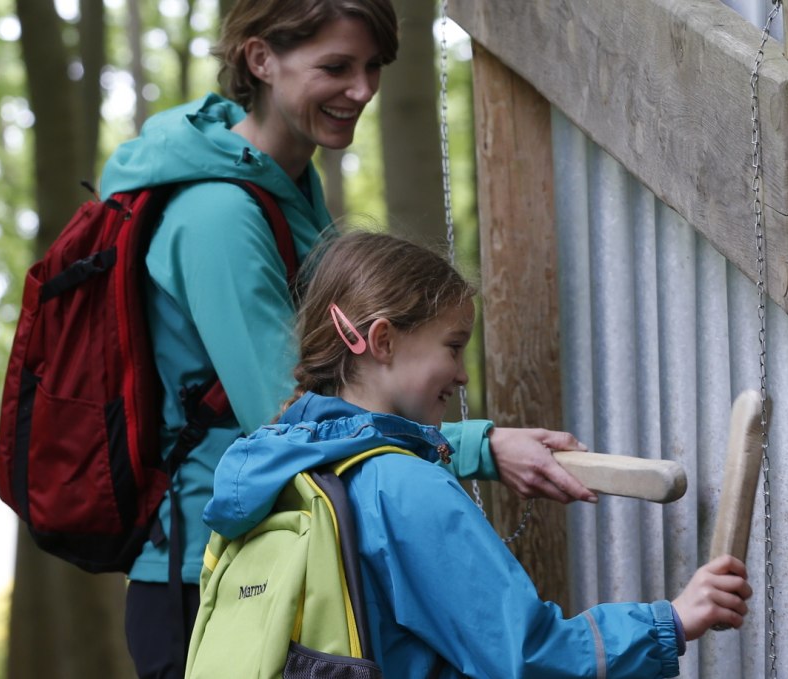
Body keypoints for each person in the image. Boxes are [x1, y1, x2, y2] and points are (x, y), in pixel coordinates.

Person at [93, 0, 595, 675]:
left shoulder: (287, 189)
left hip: (283, 555)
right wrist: (481, 446)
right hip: (215, 580)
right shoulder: (219, 217)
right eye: (335, 66)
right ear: (260, 58)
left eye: (373, 66)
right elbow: (289, 419)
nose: (361, 89)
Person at [204, 231, 754, 677]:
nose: (464, 374)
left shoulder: (280, 471)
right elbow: (525, 656)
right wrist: (673, 620)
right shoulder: (402, 486)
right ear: (383, 340)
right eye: (453, 345)